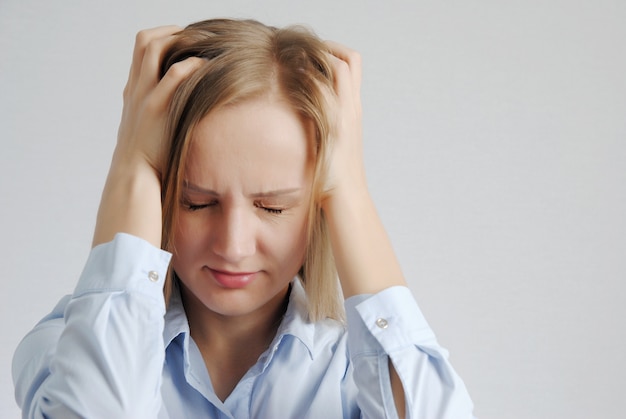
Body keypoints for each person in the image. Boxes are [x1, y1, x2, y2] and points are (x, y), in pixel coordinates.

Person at [12, 18, 475, 418]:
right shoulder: (67, 345)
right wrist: (132, 165)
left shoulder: (360, 369)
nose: (232, 246)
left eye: (273, 207)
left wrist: (350, 192)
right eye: (196, 201)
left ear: (318, 206)